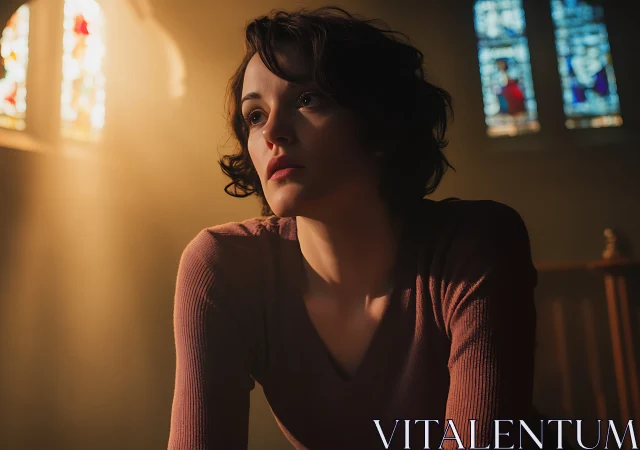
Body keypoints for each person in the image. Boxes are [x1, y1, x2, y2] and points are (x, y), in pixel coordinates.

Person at [168, 6, 556, 450]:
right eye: (254, 115)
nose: (272, 131)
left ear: (381, 123)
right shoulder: (222, 267)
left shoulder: (476, 242)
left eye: (308, 99)